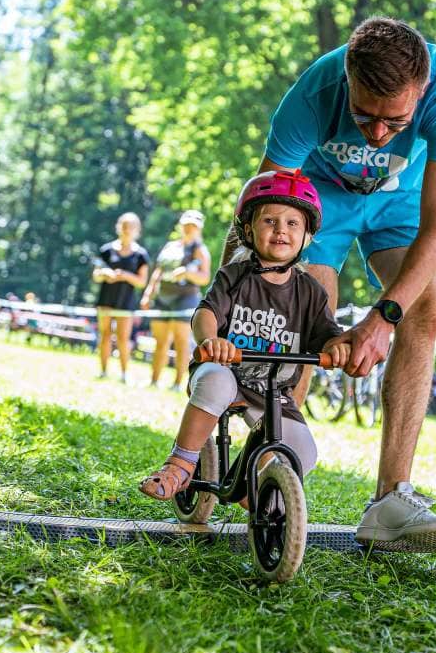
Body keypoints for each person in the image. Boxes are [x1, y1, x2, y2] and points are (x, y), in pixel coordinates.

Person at [224, 16, 436, 552]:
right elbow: (263, 205)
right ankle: (276, 455)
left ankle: (391, 499)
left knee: (425, 311)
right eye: (364, 115)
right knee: (305, 302)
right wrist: (227, 295)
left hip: (399, 205)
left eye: (396, 120)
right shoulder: (314, 94)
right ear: (346, 77)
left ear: (423, 89)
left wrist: (383, 319)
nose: (379, 132)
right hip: (316, 202)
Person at [139, 170, 351, 501]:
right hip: (226, 371)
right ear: (248, 230)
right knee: (217, 382)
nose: (281, 229)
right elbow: (206, 312)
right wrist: (211, 341)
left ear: (307, 234)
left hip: (273, 389)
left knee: (304, 452)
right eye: (270, 221)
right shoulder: (235, 276)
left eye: (293, 223)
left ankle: (257, 489)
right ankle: (181, 464)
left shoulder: (310, 291)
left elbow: (327, 334)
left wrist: (337, 349)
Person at [140, 209, 211, 390]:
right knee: (160, 342)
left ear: (199, 228)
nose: (189, 229)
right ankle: (154, 381)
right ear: (181, 225)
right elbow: (158, 271)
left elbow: (205, 278)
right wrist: (148, 292)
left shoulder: (200, 250)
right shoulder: (171, 246)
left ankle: (178, 383)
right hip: (163, 297)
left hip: (185, 298)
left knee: (181, 343)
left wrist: (187, 273)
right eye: (186, 225)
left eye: (193, 226)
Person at [93, 212, 149, 382]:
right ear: (118, 227)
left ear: (137, 230)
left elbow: (141, 282)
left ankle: (124, 374)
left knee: (123, 338)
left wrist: (125, 275)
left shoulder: (141, 255)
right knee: (104, 335)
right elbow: (95, 275)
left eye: (130, 226)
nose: (126, 229)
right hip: (106, 299)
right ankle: (103, 371)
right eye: (124, 226)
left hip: (126, 301)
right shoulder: (106, 250)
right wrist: (105, 273)